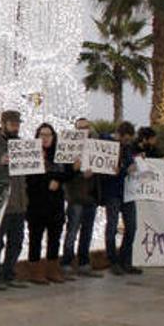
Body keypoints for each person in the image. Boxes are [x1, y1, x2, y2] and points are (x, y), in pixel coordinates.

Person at [0, 110, 30, 290]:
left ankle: (9, 273)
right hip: (1, 202)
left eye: (17, 124)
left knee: (16, 241)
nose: (16, 127)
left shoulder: (20, 144)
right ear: (3, 124)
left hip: (19, 201)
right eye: (12, 124)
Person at [25, 123, 72, 284]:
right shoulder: (29, 155)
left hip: (55, 206)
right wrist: (46, 181)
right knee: (35, 238)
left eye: (48, 135)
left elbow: (68, 173)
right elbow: (28, 180)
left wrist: (58, 180)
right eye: (42, 135)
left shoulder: (60, 155)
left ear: (53, 137)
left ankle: (53, 270)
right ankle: (35, 272)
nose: (45, 138)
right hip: (36, 205)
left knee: (54, 238)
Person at [61, 118, 103, 279]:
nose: (84, 131)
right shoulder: (69, 146)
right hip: (75, 197)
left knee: (87, 232)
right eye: (80, 128)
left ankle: (84, 263)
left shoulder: (96, 146)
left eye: (86, 127)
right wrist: (75, 170)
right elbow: (65, 172)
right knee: (72, 231)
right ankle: (66, 262)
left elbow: (103, 164)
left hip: (91, 197)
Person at [101, 122, 141, 275]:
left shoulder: (127, 148)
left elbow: (128, 162)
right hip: (112, 192)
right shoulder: (107, 145)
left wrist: (131, 164)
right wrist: (124, 168)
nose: (127, 142)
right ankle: (113, 261)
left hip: (127, 192)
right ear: (119, 135)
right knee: (111, 227)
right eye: (125, 139)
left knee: (131, 227)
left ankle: (125, 260)